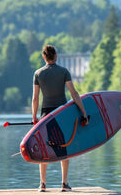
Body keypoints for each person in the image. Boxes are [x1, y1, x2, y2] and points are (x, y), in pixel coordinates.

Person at [32, 45, 89, 192]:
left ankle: (42, 184)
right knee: (64, 146)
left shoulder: (38, 74)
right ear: (55, 55)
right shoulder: (64, 72)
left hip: (45, 114)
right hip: (62, 113)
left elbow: (35, 99)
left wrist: (34, 117)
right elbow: (74, 94)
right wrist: (83, 112)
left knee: (44, 147)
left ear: (44, 57)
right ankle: (64, 183)